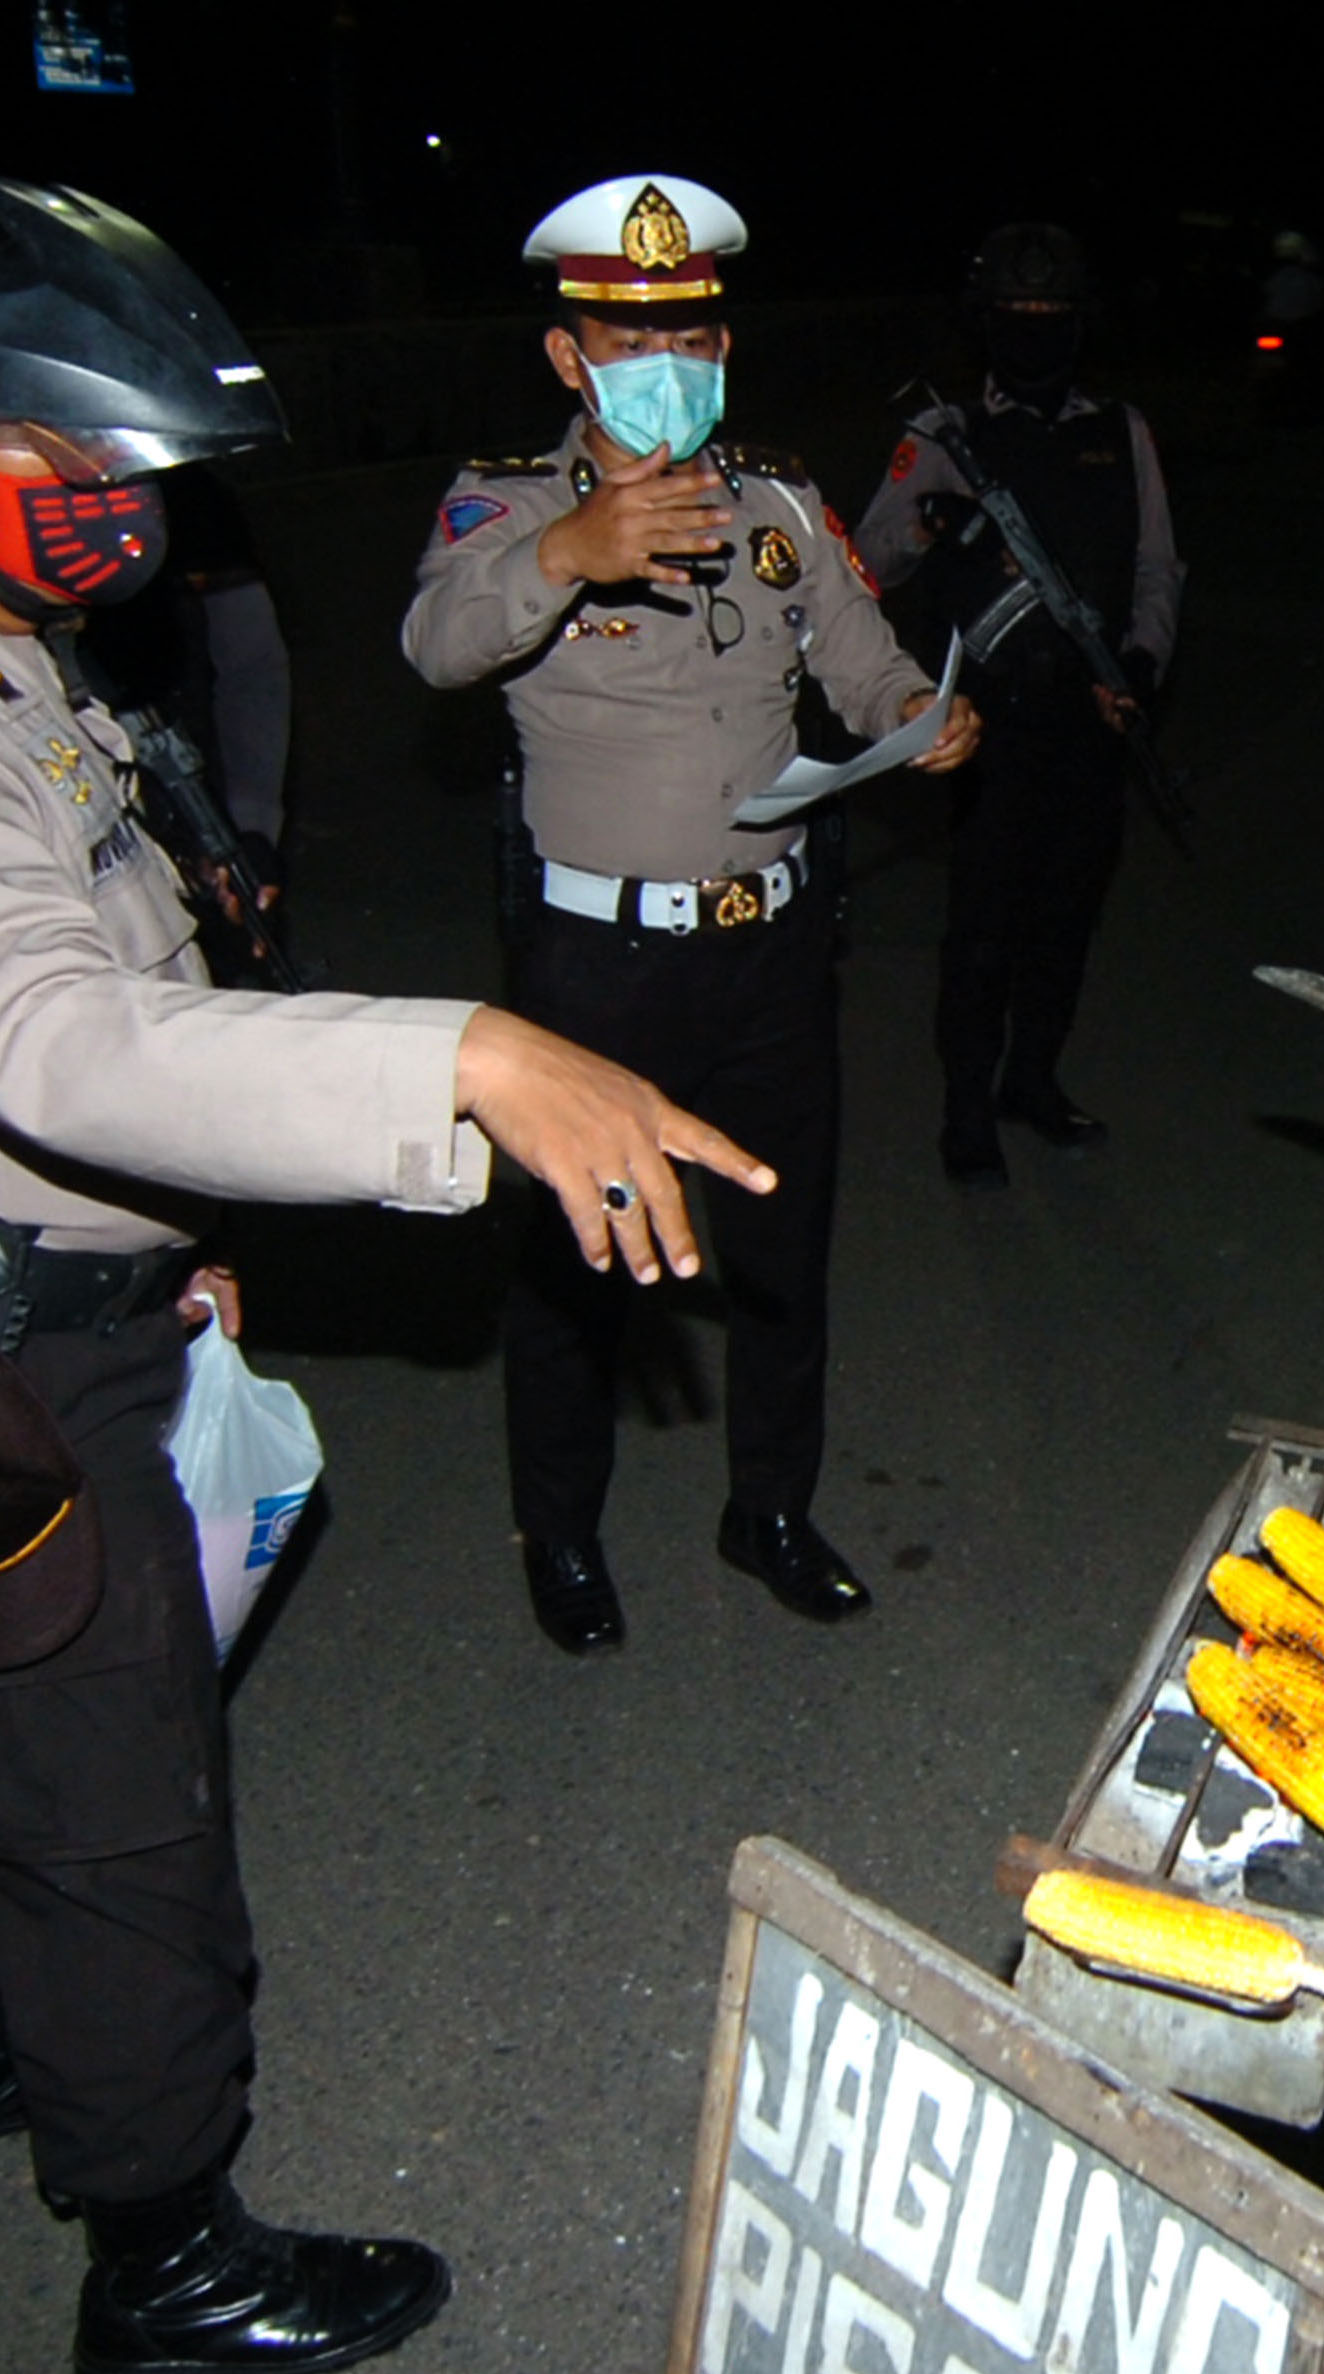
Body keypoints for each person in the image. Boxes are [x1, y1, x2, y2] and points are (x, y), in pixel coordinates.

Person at [0, 171, 772, 2374]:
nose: (124, 518)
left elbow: (101, 971)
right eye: (72, 472)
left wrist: (172, 1243)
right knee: (117, 1810)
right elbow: (51, 1034)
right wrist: (466, 1055)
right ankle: (164, 2252)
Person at [406, 175, 978, 1654]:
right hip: (596, 966)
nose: (671, 364)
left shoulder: (782, 498)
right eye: (628, 333)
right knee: (579, 1267)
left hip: (776, 949)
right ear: (566, 354)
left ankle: (769, 1508)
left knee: (783, 1253)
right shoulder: (510, 504)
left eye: (696, 334)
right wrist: (564, 554)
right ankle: (564, 1530)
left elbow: (864, 663)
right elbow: (433, 643)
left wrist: (919, 712)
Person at [854, 222, 1183, 1187]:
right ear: (985, 325)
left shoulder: (1120, 432)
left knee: (1066, 916)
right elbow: (866, 561)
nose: (1035, 333)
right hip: (988, 727)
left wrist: (1140, 662)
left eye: (1052, 317)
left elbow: (1158, 565)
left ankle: (1032, 1081)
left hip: (1090, 715)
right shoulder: (945, 434)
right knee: (984, 927)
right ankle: (966, 1108)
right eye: (1016, 317)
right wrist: (935, 522)